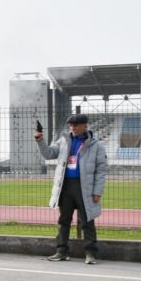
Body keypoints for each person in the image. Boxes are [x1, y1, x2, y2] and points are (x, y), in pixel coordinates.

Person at [35, 113, 107, 264]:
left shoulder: (96, 146)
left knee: (88, 220)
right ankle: (61, 251)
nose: (72, 128)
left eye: (76, 125)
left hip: (85, 187)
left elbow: (101, 170)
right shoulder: (63, 141)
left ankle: (90, 253)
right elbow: (48, 154)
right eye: (71, 125)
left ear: (85, 126)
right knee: (64, 220)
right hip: (66, 186)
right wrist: (40, 140)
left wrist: (97, 191)